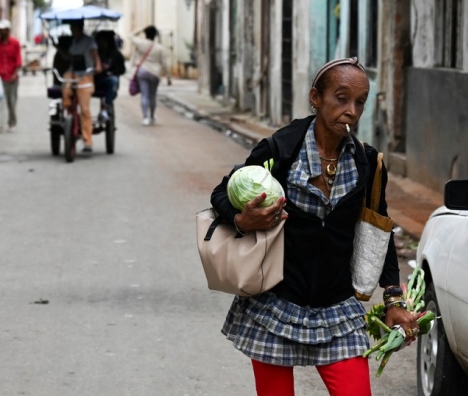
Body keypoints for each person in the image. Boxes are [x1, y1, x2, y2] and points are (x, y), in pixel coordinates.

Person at [210, 57, 419, 396]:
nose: (351, 110)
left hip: (337, 309)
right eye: (341, 97)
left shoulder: (366, 163)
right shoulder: (281, 151)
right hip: (275, 305)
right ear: (316, 98)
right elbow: (223, 191)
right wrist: (240, 220)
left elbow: (378, 232)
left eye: (360, 101)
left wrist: (394, 298)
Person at [55, 19, 101, 153]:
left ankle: (88, 141)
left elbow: (95, 55)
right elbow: (69, 57)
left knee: (85, 110)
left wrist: (98, 65)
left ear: (79, 28)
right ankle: (68, 109)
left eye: (73, 28)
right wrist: (57, 48)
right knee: (65, 86)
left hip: (86, 74)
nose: (72, 31)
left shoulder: (89, 41)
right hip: (73, 72)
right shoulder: (74, 42)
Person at [129, 25, 171, 126]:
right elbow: (165, 63)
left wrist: (140, 29)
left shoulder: (141, 43)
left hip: (142, 72)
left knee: (144, 95)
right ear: (155, 35)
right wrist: (168, 77)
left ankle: (145, 117)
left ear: (145, 34)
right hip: (155, 74)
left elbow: (130, 36)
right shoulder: (160, 48)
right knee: (152, 96)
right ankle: (152, 116)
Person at [94, 30, 125, 121]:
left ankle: (105, 108)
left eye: (102, 40)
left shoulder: (116, 55)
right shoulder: (95, 52)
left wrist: (112, 72)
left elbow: (122, 70)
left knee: (114, 80)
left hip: (108, 82)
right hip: (95, 80)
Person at [0, 19, 22, 133]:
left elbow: (18, 60)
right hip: (1, 77)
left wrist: (15, 73)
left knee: (11, 101)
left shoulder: (15, 43)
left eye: (3, 30)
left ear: (7, 31)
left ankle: (12, 122)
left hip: (12, 77)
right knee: (0, 101)